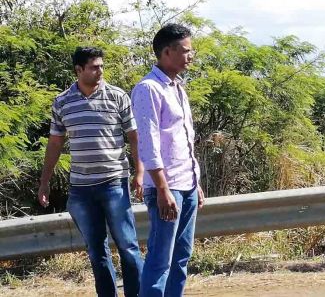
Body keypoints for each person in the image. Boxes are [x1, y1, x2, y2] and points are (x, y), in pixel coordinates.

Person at [38, 47, 144, 297]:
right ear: (79, 70)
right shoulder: (62, 101)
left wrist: (140, 172)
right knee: (96, 251)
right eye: (95, 67)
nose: (101, 71)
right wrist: (45, 182)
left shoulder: (117, 96)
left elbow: (134, 136)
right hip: (81, 188)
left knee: (128, 246)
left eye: (102, 66)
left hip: (114, 182)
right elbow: (55, 143)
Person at [132, 23, 205, 297]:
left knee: (181, 259)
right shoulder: (148, 89)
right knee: (160, 258)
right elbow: (148, 143)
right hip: (167, 187)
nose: (191, 56)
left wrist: (195, 181)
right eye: (185, 51)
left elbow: (184, 139)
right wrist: (162, 189)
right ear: (166, 52)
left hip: (186, 184)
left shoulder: (178, 88)